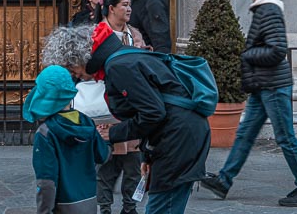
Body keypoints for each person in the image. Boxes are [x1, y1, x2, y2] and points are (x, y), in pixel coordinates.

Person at [43, 25, 209, 214]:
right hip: (178, 137)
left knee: (162, 207)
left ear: (80, 57)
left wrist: (112, 133)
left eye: (71, 67)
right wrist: (148, 154)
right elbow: (152, 108)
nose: (74, 75)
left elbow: (153, 113)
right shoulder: (122, 58)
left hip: (178, 140)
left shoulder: (119, 66)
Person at [200, 0, 297, 207]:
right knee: (244, 135)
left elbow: (277, 50)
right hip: (263, 86)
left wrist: (246, 54)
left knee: (285, 137)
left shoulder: (269, 10)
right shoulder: (262, 9)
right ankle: (224, 180)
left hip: (274, 86)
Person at [23, 64, 109, 214]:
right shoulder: (87, 123)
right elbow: (103, 155)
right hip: (89, 203)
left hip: (62, 206)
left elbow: (46, 183)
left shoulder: (45, 133)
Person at [88, 21, 142, 214]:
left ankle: (130, 206)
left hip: (130, 116)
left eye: (129, 4)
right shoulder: (100, 35)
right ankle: (105, 208)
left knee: (133, 167)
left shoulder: (134, 32)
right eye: (124, 5)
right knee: (106, 169)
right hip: (108, 114)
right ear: (112, 8)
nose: (128, 9)